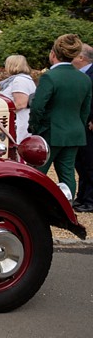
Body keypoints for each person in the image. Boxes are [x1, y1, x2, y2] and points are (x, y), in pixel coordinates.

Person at [27, 34, 93, 201]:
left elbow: (37, 106)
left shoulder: (50, 76)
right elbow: (85, 110)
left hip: (50, 131)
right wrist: (78, 125)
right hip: (74, 132)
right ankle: (67, 207)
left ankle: (34, 206)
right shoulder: (84, 78)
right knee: (68, 173)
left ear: (53, 53)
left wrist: (34, 128)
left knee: (37, 172)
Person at [0, 55, 36, 143]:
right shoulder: (25, 79)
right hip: (23, 121)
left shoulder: (19, 80)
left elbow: (21, 103)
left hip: (19, 123)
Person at [74, 44, 93, 212]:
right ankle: (82, 197)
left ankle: (90, 200)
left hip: (90, 124)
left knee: (90, 162)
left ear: (81, 58)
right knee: (80, 162)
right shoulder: (78, 74)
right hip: (80, 124)